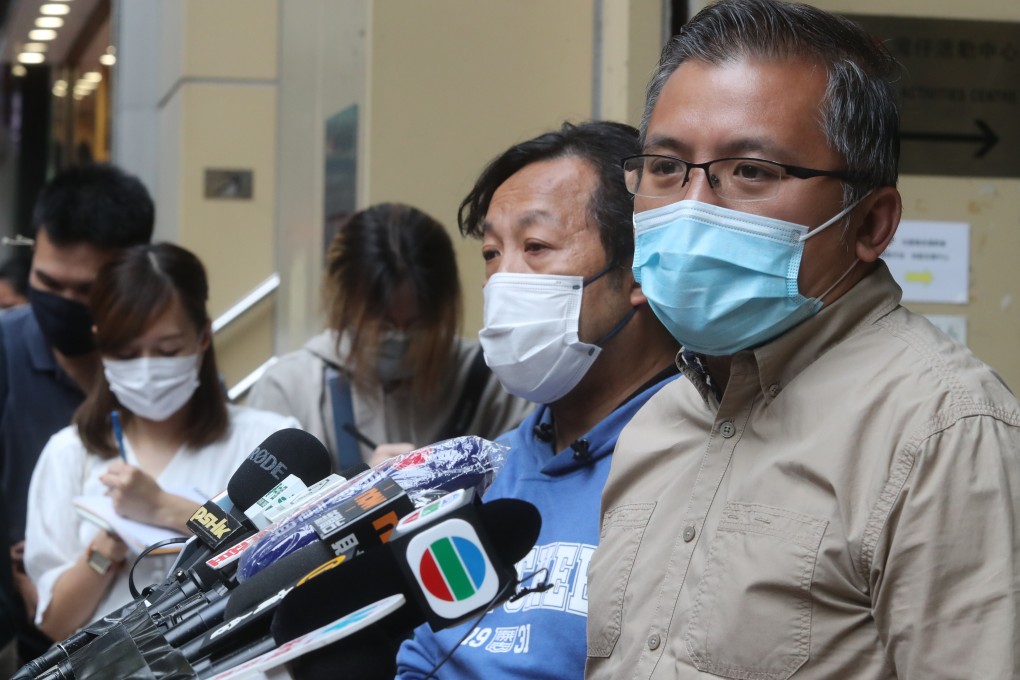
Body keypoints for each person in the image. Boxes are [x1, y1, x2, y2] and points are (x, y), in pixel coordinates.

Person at [585, 2, 1020, 679]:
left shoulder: (942, 431)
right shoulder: (660, 421)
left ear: (870, 223)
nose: (692, 207)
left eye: (751, 172)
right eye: (667, 167)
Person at [396, 121, 681, 679]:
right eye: (491, 253)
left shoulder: (700, 459)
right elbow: (423, 654)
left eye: (536, 247)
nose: (503, 281)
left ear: (639, 269)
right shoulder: (489, 471)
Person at [23, 243, 299, 642]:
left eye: (168, 350)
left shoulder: (266, 444)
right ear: (101, 344)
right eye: (126, 353)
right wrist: (110, 542)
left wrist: (166, 509)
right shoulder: (69, 454)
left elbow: (291, 557)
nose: (147, 368)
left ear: (203, 336)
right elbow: (55, 623)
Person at [248, 202, 532, 470]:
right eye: (382, 325)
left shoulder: (494, 383)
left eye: (417, 324)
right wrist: (358, 491)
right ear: (343, 304)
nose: (400, 338)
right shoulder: (288, 388)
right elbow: (260, 504)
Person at [0, 163, 153, 658]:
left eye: (85, 291)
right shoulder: (6, 352)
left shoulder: (165, 373)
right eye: (47, 282)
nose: (63, 303)